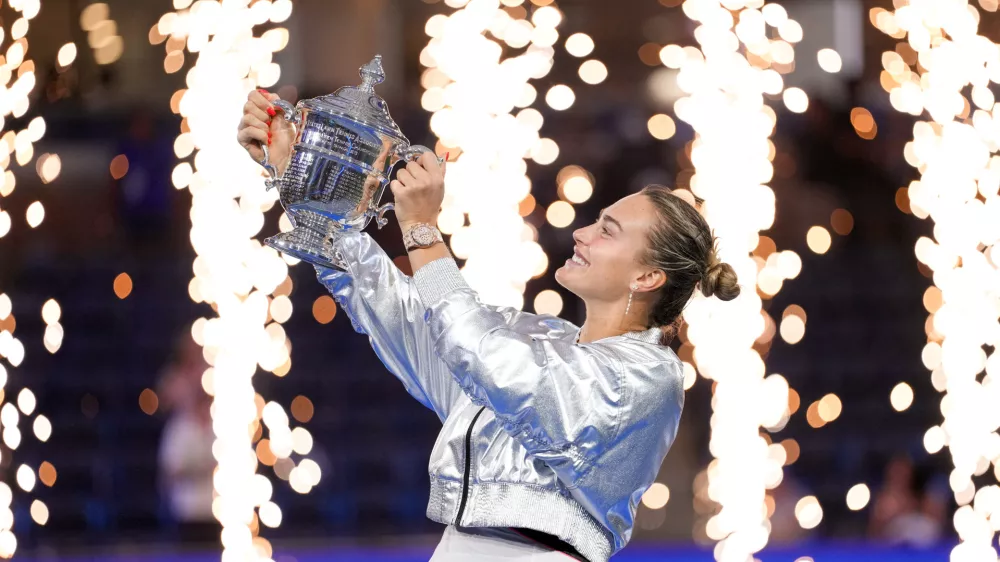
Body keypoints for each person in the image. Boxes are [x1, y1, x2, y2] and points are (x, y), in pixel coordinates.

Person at [238, 90, 740, 562]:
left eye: (607, 231)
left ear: (648, 276)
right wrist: (299, 176)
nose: (582, 233)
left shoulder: (651, 376)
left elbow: (482, 353)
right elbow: (406, 316)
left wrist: (422, 231)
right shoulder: (533, 337)